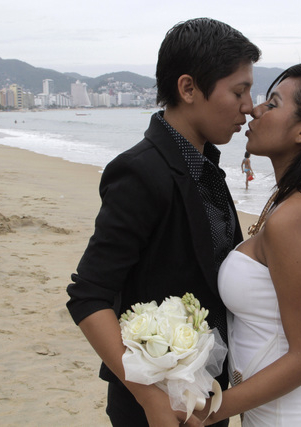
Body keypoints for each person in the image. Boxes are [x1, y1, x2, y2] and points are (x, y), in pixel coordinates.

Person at [66, 18, 260, 427]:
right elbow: (88, 295)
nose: (249, 106)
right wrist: (151, 399)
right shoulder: (140, 172)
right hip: (153, 409)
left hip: (205, 396)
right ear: (188, 89)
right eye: (239, 91)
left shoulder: (205, 166)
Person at [199, 63, 301, 426]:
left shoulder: (296, 217)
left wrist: (211, 412)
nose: (255, 110)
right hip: (292, 409)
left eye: (273, 104)